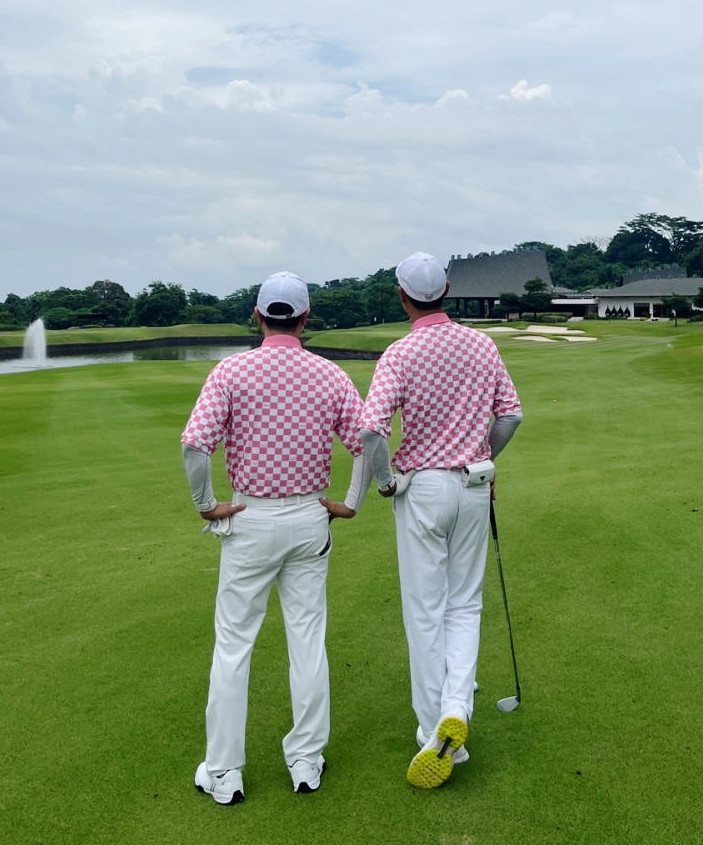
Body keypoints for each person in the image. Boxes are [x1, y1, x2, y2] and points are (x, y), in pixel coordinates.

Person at [181, 271, 372, 806]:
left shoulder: (231, 371)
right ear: (306, 319)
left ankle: (223, 771)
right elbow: (366, 441)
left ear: (258, 316)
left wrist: (206, 504)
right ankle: (306, 759)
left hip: (249, 517)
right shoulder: (329, 375)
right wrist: (351, 501)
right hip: (309, 519)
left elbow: (196, 446)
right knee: (306, 639)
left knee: (234, 646)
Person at [359, 252, 522, 789]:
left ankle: (436, 732)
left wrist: (384, 482)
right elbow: (510, 414)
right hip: (474, 484)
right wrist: (485, 456)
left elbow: (371, 430)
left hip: (423, 487)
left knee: (425, 610)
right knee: (464, 604)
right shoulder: (482, 343)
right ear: (448, 289)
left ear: (402, 295)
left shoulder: (401, 352)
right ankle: (458, 708)